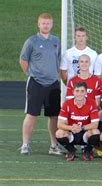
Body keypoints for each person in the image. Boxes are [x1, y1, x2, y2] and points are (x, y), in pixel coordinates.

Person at [19, 13, 62, 155]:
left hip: (53, 84)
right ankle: (25, 144)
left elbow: (59, 61)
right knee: (31, 114)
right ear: (38, 24)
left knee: (54, 115)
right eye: (43, 23)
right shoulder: (31, 41)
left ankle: (54, 146)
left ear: (52, 24)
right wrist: (32, 74)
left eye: (48, 23)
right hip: (36, 83)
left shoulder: (56, 41)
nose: (46, 25)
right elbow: (23, 60)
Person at [56, 82, 100, 161]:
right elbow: (59, 124)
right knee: (59, 133)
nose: (79, 93)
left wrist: (82, 128)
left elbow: (95, 124)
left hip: (85, 133)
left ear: (86, 92)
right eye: (77, 91)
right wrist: (71, 127)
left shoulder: (92, 103)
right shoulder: (67, 104)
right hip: (72, 132)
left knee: (96, 132)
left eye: (82, 91)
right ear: (73, 92)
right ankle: (71, 150)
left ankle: (87, 151)